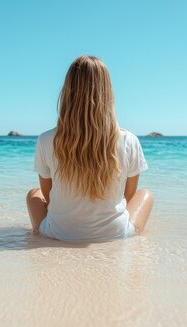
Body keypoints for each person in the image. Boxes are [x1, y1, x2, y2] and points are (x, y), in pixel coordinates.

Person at [26, 55, 154, 243]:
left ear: (68, 92)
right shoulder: (128, 140)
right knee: (146, 195)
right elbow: (128, 196)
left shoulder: (46, 140)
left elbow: (48, 195)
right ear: (107, 92)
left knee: (33, 194)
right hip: (114, 234)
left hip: (58, 234)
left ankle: (48, 233)